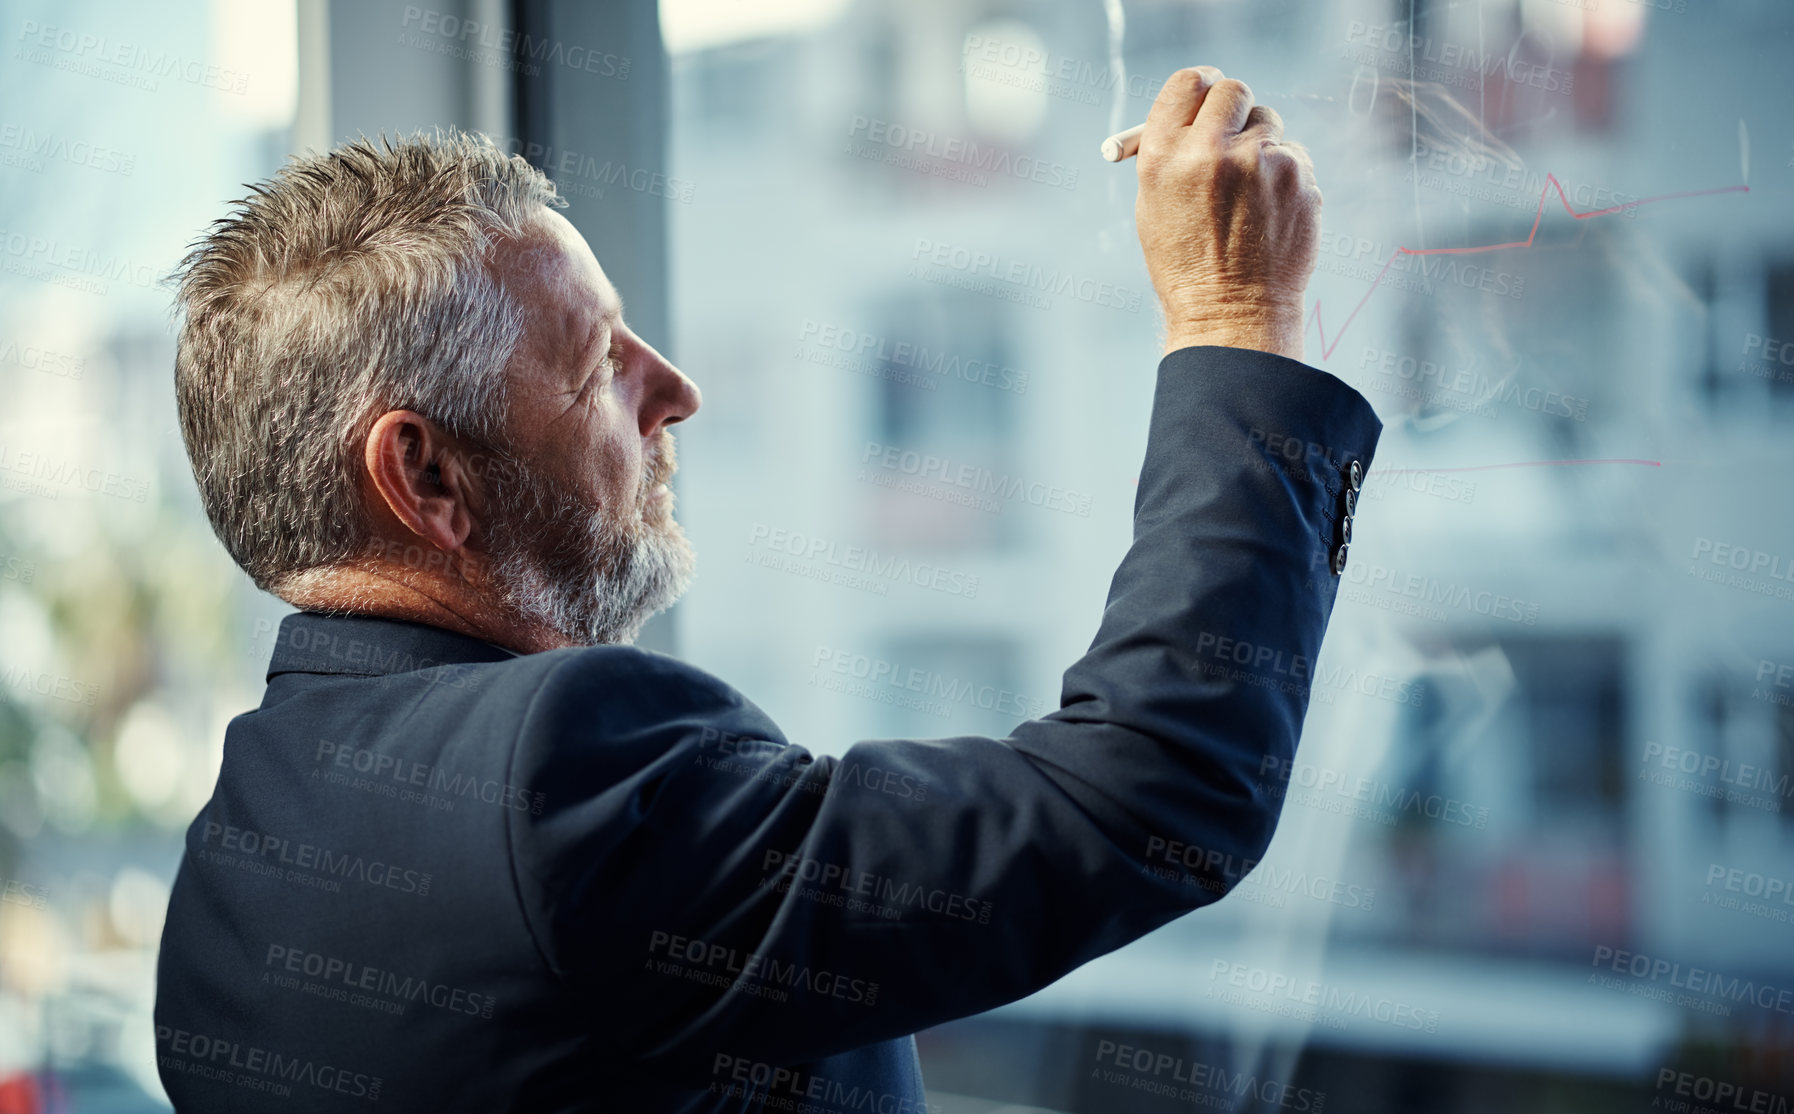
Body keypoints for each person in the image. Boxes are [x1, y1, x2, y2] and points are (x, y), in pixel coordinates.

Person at [153, 65, 1379, 1112]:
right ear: (425, 473)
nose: (677, 388)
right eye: (600, 365)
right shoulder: (554, 779)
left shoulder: (229, 870)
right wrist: (1235, 315)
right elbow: (1150, 795)